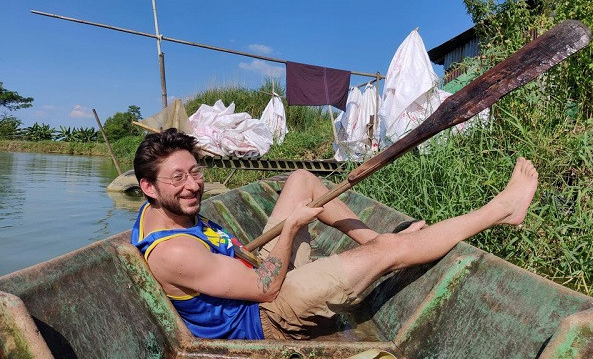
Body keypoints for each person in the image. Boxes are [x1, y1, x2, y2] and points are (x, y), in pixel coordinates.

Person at [131, 128, 538, 340]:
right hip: (266, 316)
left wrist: (283, 235)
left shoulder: (164, 211)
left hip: (252, 277)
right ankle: (502, 210)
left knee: (303, 180)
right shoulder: (174, 253)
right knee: (391, 249)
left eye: (195, 172)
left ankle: (368, 240)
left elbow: (248, 269)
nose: (193, 185)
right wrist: (291, 227)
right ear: (148, 187)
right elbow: (267, 288)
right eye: (177, 178)